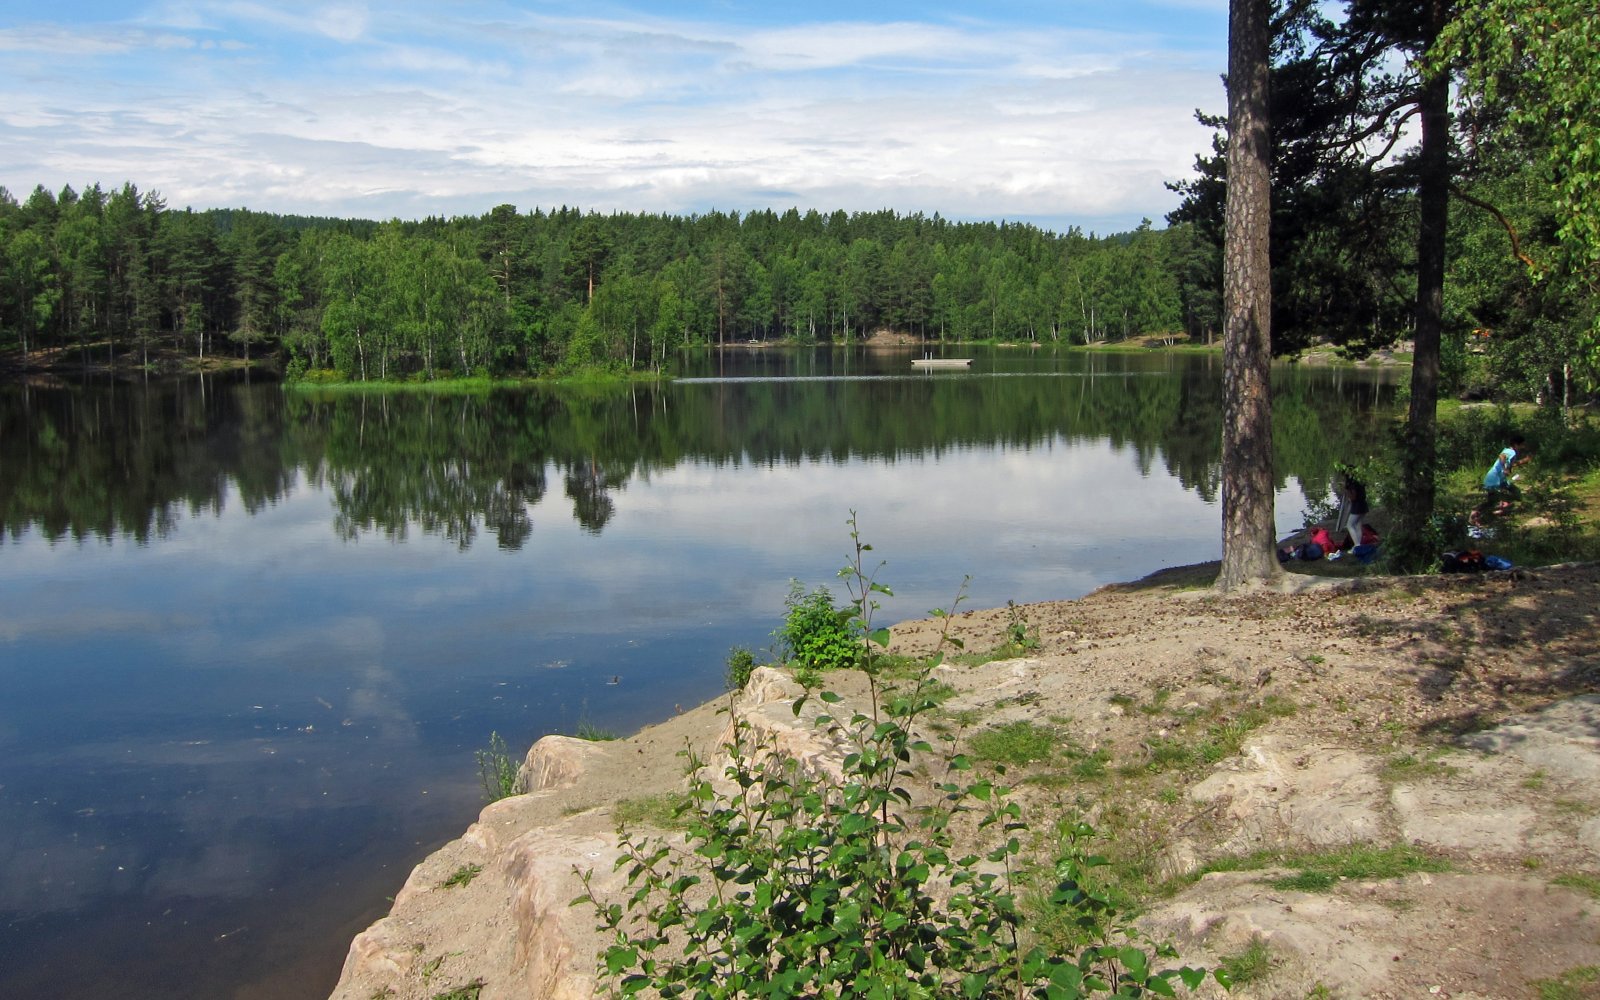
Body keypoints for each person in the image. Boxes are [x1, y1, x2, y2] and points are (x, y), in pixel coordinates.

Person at [1479, 434, 1528, 519]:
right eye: (1522, 445)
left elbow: (1511, 464)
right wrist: (1505, 468)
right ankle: (1480, 513)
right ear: (1516, 444)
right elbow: (1502, 456)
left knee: (1513, 492)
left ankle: (1493, 512)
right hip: (1494, 480)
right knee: (1495, 500)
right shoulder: (1510, 452)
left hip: (1498, 480)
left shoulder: (1510, 452)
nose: (1523, 447)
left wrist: (1523, 461)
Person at [1340, 472, 1369, 549]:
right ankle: (1358, 544)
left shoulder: (1351, 485)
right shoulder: (1359, 481)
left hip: (1357, 506)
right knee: (1358, 525)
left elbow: (1353, 497)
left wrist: (1346, 489)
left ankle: (1357, 545)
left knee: (1350, 525)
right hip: (1363, 504)